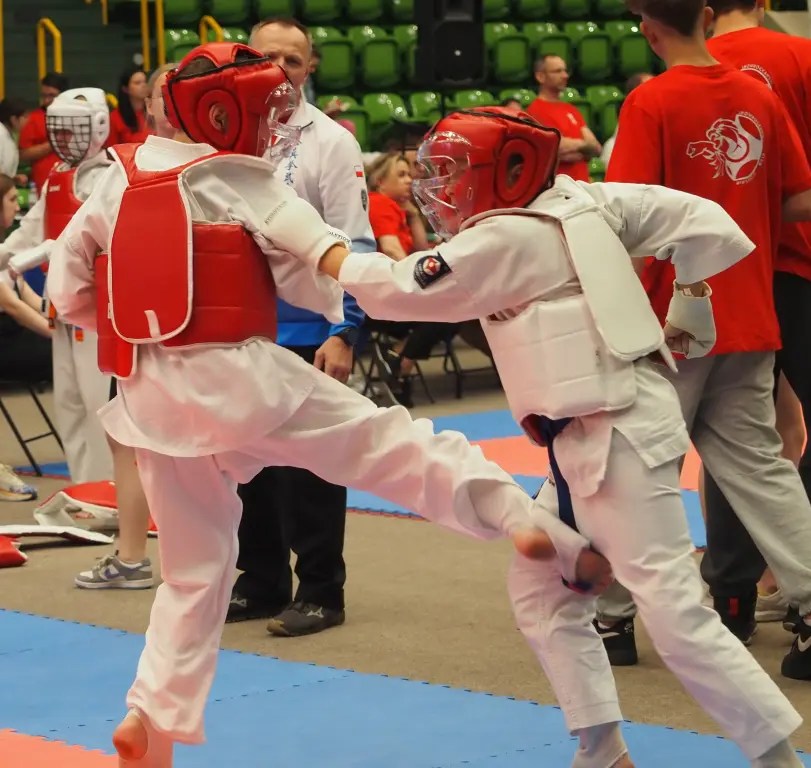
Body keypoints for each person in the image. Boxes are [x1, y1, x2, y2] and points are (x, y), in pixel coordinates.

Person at [47, 44, 608, 766]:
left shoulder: (117, 179)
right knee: (390, 445)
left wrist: (140, 334)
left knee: (193, 573)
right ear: (223, 115)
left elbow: (68, 291)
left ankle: (150, 715)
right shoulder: (241, 180)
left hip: (152, 399)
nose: (271, 126)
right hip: (243, 382)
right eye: (262, 112)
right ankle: (519, 518)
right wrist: (424, 280)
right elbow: (330, 263)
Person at [267, 104, 807, 768]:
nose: (444, 190)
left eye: (457, 173)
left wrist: (301, 232)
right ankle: (602, 751)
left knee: (675, 616)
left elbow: (390, 289)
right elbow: (707, 221)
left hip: (618, 437)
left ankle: (778, 760)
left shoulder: (503, 239)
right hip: (586, 437)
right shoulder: (589, 201)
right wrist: (690, 294)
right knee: (541, 593)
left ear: (512, 171)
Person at [593, 0, 811, 681]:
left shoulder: (651, 102)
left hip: (672, 322)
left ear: (647, 28)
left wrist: (609, 315)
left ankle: (610, 617)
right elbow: (799, 200)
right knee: (762, 469)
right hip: (749, 312)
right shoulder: (756, 96)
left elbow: (627, 223)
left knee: (631, 467)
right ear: (705, 16)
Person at [226, 17, 376, 637]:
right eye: (268, 57)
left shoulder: (331, 143)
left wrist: (347, 331)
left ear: (309, 68)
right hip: (239, 326)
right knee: (246, 465)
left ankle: (320, 589)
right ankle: (261, 580)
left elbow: (355, 241)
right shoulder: (227, 133)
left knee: (311, 466)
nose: (280, 69)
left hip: (311, 327)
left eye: (293, 59)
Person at [705, 0, 811, 623]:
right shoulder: (800, 56)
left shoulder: (683, 70)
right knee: (773, 429)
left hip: (721, 272)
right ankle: (797, 583)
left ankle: (734, 596)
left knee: (734, 434)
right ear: (765, 3)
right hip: (796, 261)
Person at [74, 63, 178, 590]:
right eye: (161, 93)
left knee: (202, 450)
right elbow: (82, 245)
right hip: (137, 326)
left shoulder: (227, 165)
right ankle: (134, 556)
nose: (168, 101)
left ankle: (200, 564)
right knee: (127, 440)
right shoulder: (124, 164)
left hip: (193, 331)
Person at [0, 87, 114, 484]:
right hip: (60, 304)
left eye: (73, 130)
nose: (64, 139)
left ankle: (107, 492)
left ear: (98, 127)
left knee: (97, 403)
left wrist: (38, 254)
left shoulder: (111, 178)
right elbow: (31, 230)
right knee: (69, 404)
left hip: (94, 307)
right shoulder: (57, 176)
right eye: (59, 130)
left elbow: (87, 238)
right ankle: (84, 488)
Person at [0, 172, 47, 502]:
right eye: (11, 200)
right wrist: (57, 334)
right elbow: (13, 307)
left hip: (17, 336)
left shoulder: (7, 253)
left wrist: (66, 319)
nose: (17, 207)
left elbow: (31, 299)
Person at [526, 54, 601, 182]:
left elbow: (596, 147)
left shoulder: (571, 109)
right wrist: (583, 146)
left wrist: (572, 147)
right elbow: (555, 148)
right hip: (559, 188)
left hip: (582, 186)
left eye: (565, 71)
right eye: (557, 71)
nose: (565, 75)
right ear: (540, 77)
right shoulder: (534, 111)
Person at [18, 72, 68, 194]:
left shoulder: (77, 117)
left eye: (52, 96)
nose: (46, 100)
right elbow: (23, 154)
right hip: (44, 185)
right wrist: (54, 143)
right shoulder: (33, 118)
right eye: (44, 96)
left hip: (72, 180)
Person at [107, 67, 150, 145]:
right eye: (137, 83)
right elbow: (111, 148)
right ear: (125, 89)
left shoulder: (154, 112)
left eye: (145, 82)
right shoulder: (115, 118)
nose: (144, 85)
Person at [0, 98, 29, 179]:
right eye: (25, 116)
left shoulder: (9, 135)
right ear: (14, 119)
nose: (27, 120)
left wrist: (13, 178)